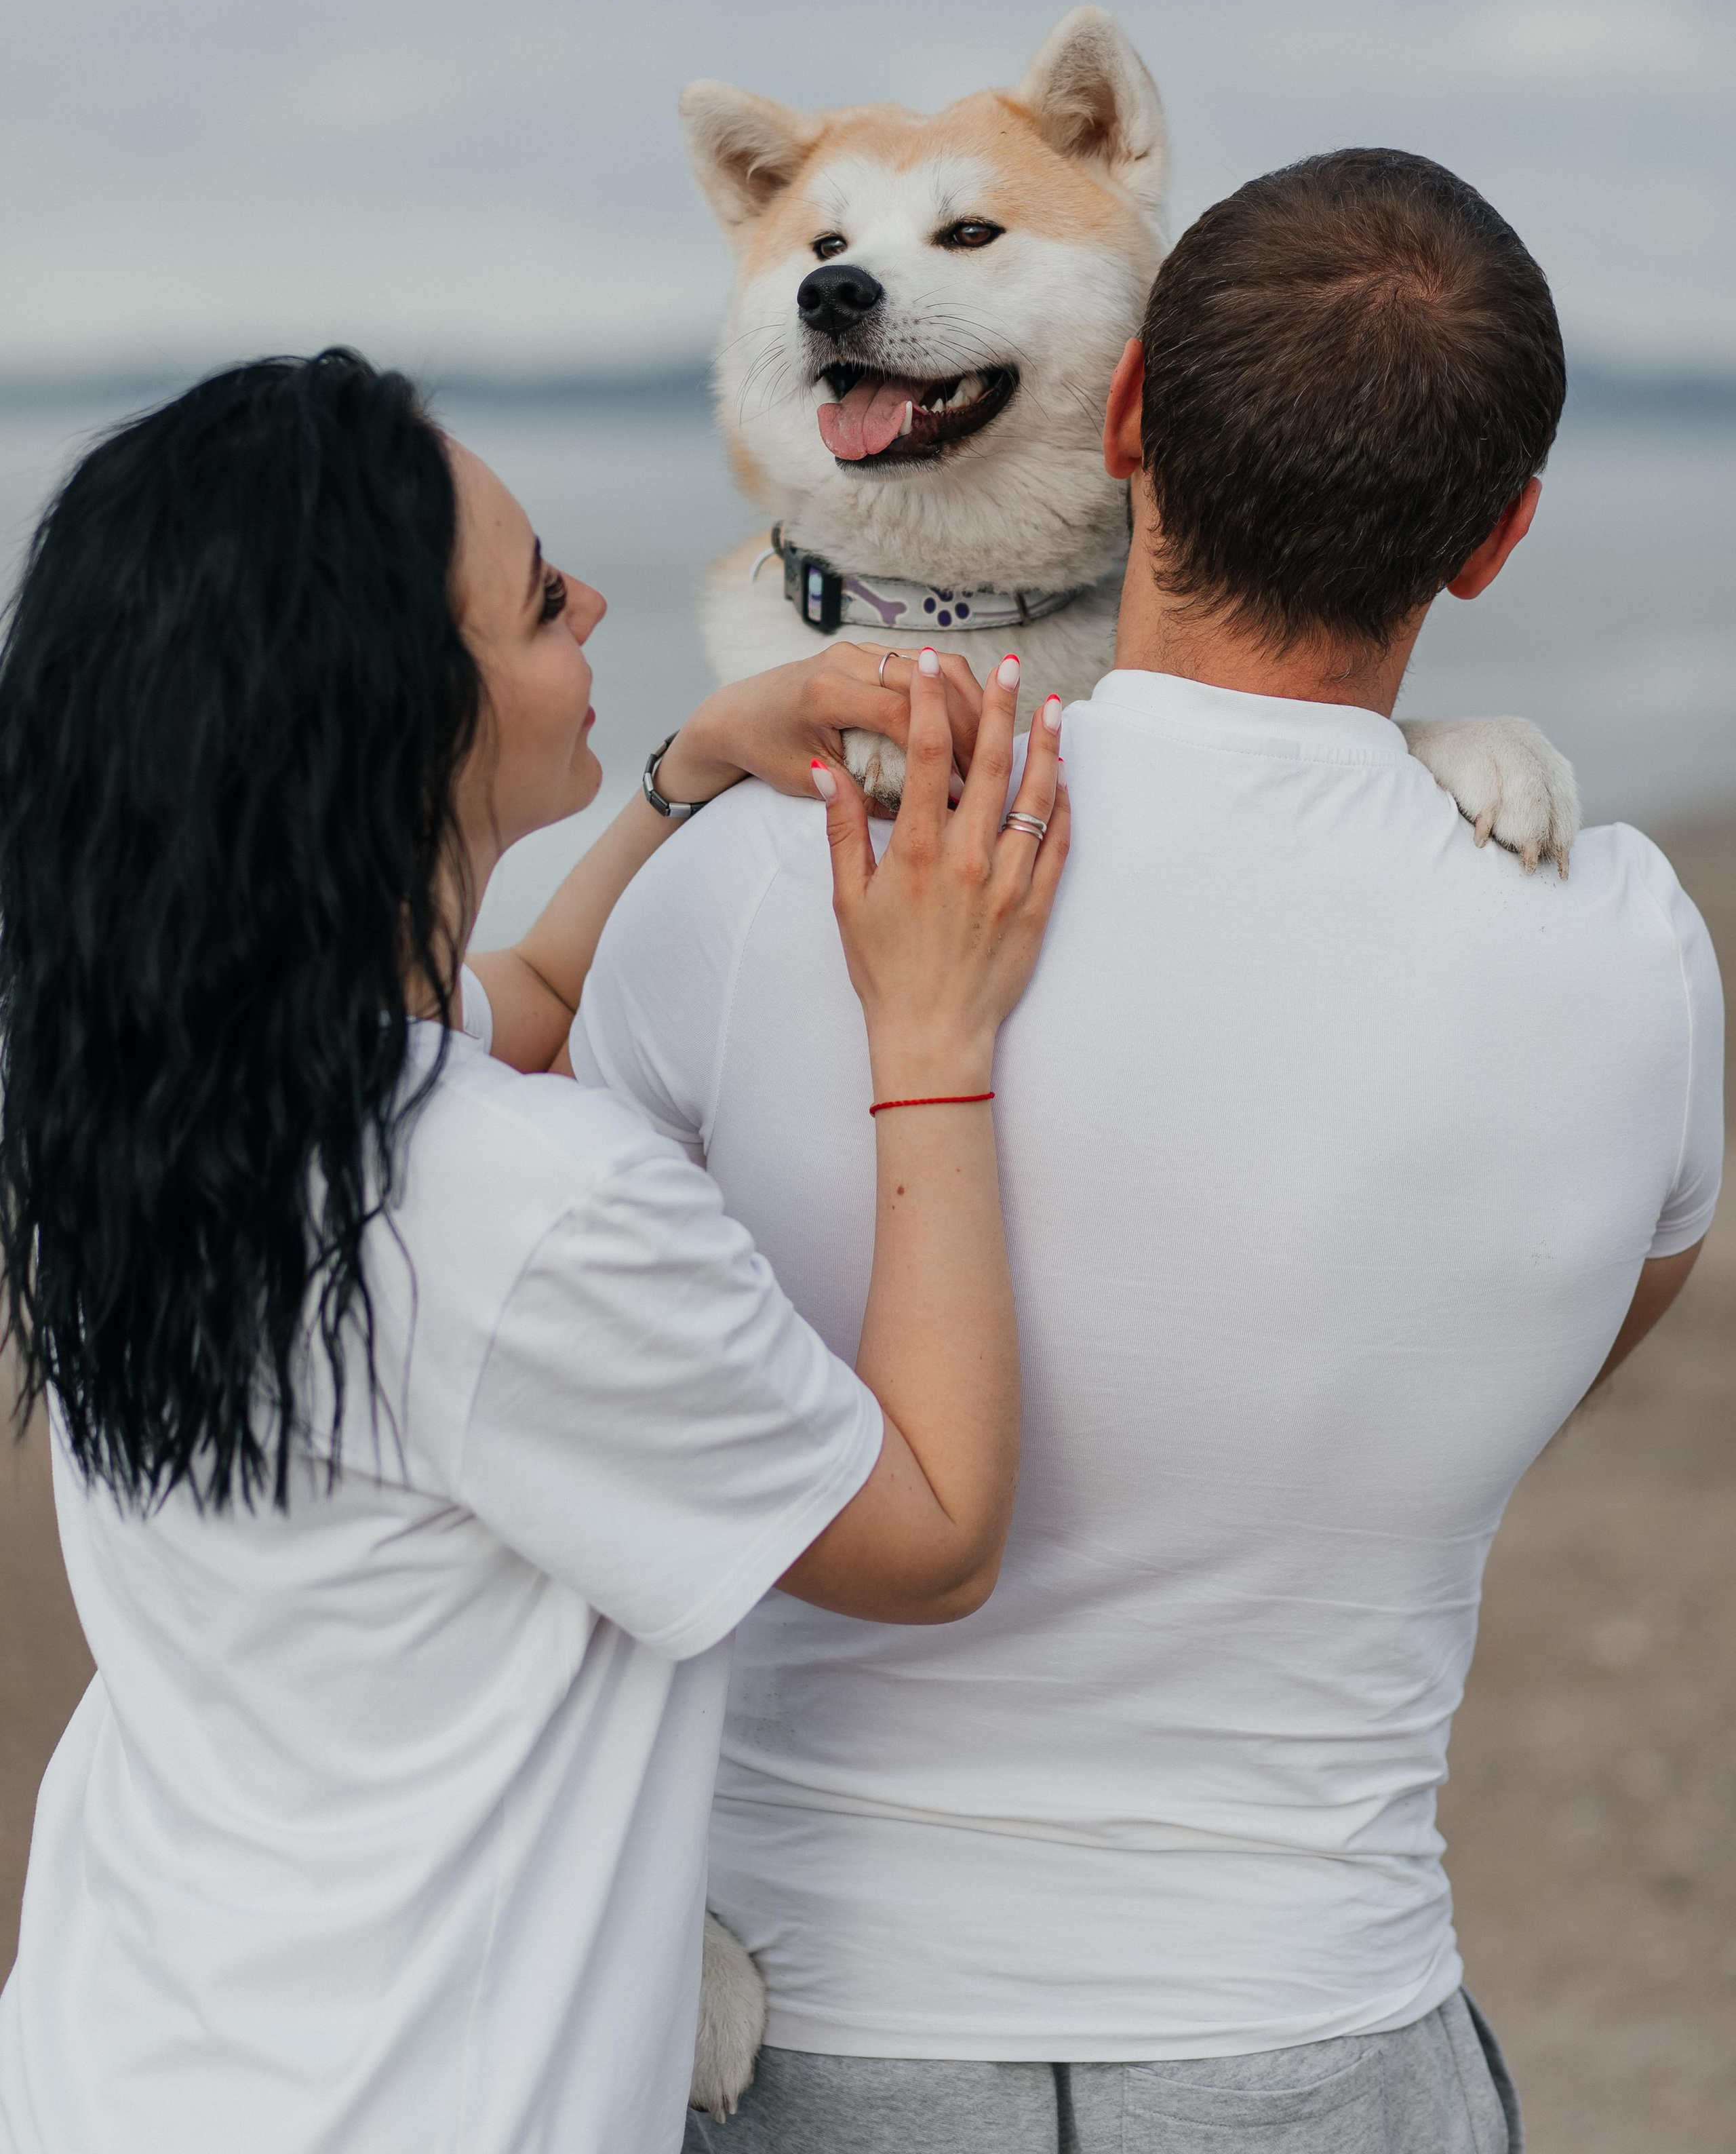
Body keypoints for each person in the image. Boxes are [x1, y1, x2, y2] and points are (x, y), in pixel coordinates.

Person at [572, 151, 1724, 2154]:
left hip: (812, 2047)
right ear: (1500, 541)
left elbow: (543, 1382)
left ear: (1124, 428)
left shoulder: (777, 879)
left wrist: (675, 780)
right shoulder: (1627, 949)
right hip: (1324, 2043)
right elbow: (1570, 1334)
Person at [0, 349, 1067, 2154]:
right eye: (535, 595)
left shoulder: (140, 1070)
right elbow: (932, 1530)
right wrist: (933, 1041)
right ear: (394, 713)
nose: (592, 602)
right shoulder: (527, 1204)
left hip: (134, 2060)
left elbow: (537, 999)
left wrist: (692, 763)